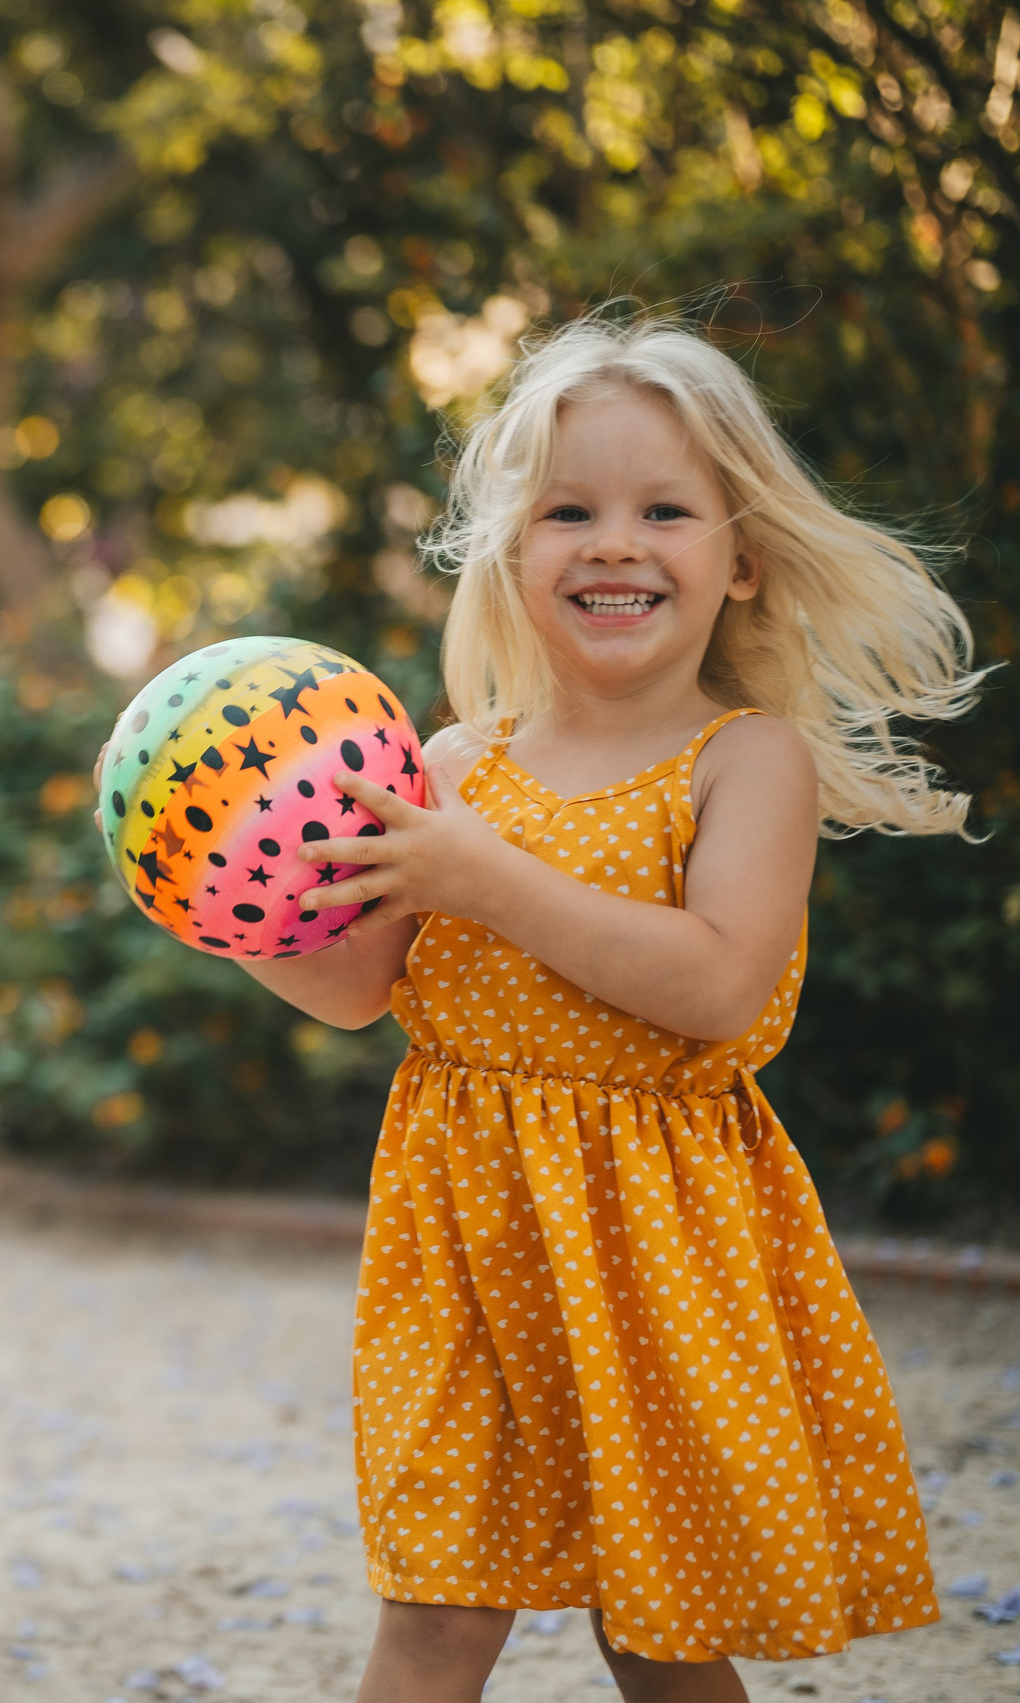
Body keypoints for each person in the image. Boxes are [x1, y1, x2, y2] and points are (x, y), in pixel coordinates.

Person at [238, 317, 977, 1701]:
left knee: (661, 1628)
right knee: (436, 1605)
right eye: (568, 509)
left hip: (659, 1245)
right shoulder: (454, 764)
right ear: (516, 553)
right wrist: (226, 905)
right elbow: (353, 990)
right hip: (461, 1239)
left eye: (665, 510)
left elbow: (714, 980)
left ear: (741, 556)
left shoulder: (745, 760)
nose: (613, 541)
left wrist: (486, 876)